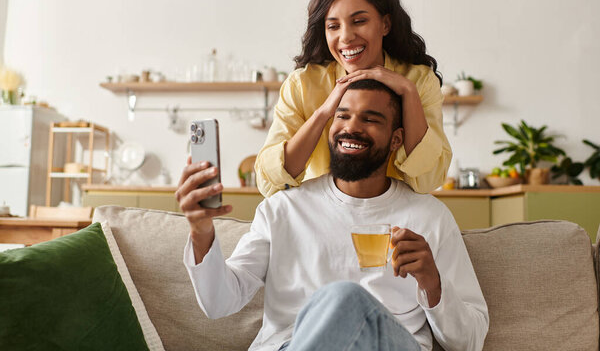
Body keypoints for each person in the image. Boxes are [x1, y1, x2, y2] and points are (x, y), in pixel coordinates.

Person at [176, 79, 488, 351]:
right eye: (342, 116)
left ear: (396, 140)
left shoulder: (429, 217)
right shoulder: (284, 209)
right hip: (289, 344)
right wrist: (201, 231)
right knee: (340, 300)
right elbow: (219, 303)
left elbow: (469, 342)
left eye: (371, 119)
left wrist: (432, 282)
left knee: (345, 298)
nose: (352, 127)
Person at [254, 0, 452, 197]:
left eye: (359, 21)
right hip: (321, 214)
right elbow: (270, 181)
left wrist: (408, 91)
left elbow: (428, 179)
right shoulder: (302, 84)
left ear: (385, 24)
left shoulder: (419, 81)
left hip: (395, 218)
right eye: (333, 26)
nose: (346, 37)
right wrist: (323, 113)